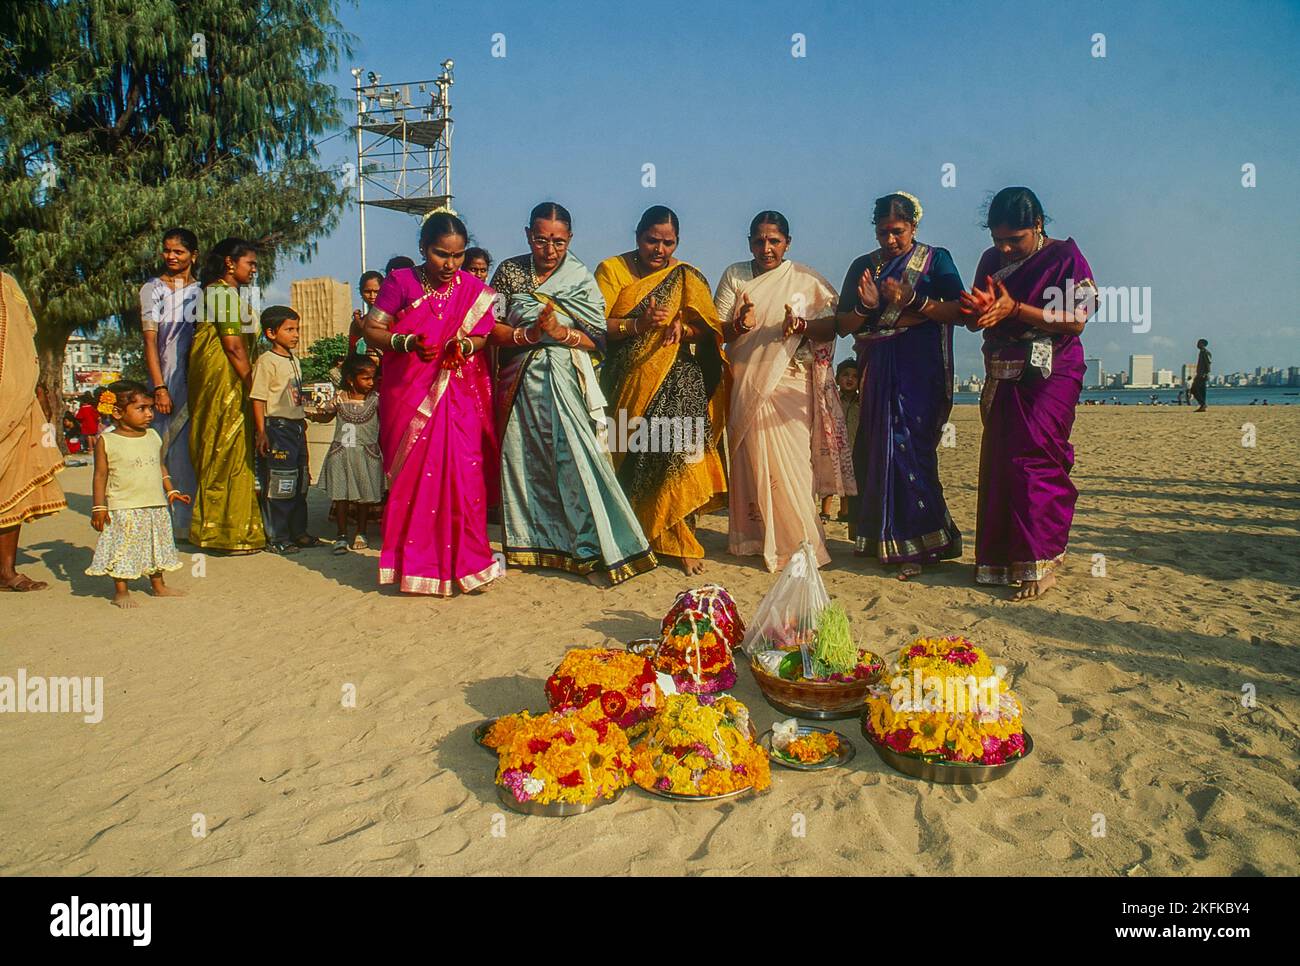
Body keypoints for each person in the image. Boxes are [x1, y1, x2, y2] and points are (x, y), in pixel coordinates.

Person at [490, 202, 656, 585]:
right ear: (527, 235)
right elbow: (490, 327)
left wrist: (560, 334)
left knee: (575, 459)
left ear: (570, 240)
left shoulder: (579, 278)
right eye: (541, 240)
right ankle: (533, 544)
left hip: (564, 379)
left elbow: (597, 337)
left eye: (559, 243)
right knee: (524, 462)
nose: (550, 251)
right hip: (519, 383)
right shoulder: (509, 272)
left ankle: (590, 546)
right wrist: (529, 335)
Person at [962, 186, 1097, 601]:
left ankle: (1043, 560)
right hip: (1003, 368)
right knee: (1002, 462)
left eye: (1014, 240)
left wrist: (1016, 310)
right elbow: (977, 316)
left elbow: (1077, 320)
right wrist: (980, 312)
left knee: (1036, 458)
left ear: (1037, 226)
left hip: (1052, 370)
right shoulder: (991, 261)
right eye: (997, 239)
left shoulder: (1065, 258)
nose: (1005, 248)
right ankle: (1003, 560)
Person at [361, 211, 502, 595]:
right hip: (410, 394)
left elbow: (484, 337)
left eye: (457, 256)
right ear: (423, 249)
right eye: (441, 254)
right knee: (415, 479)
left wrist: (464, 345)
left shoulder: (472, 288)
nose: (450, 265)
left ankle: (469, 566)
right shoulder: (401, 282)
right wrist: (405, 343)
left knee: (465, 473)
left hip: (457, 395)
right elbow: (372, 328)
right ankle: (417, 568)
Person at [834, 192, 966, 580]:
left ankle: (921, 541)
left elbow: (959, 310)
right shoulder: (864, 266)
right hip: (877, 366)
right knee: (878, 448)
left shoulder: (935, 259)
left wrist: (915, 300)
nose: (890, 241)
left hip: (919, 368)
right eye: (882, 233)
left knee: (912, 447)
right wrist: (865, 306)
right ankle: (879, 537)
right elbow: (843, 325)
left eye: (898, 232)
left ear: (914, 226)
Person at [595, 205, 730, 576]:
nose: (659, 250)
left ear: (677, 242)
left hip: (677, 374)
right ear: (637, 237)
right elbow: (597, 324)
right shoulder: (612, 270)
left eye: (668, 242)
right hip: (628, 378)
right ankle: (640, 534)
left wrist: (683, 330)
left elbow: (708, 329)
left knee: (682, 442)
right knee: (638, 449)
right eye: (652, 241)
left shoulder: (686, 275)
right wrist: (638, 325)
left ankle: (682, 537)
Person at [713, 210, 843, 571]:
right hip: (746, 381)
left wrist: (801, 324)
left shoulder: (804, 279)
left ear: (788, 243)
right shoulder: (735, 276)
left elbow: (833, 327)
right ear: (749, 242)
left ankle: (801, 541)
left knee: (795, 465)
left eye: (774, 241)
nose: (766, 248)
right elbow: (716, 329)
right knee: (752, 460)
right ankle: (755, 538)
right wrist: (738, 325)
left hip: (789, 382)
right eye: (759, 241)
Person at [188, 237, 266, 553]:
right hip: (223, 377)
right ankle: (222, 532)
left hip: (226, 375)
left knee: (233, 449)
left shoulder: (226, 294)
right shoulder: (220, 294)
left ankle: (236, 528)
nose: (255, 270)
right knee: (224, 448)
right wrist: (254, 384)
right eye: (251, 263)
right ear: (231, 263)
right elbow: (233, 346)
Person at [86, 381, 190, 606]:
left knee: (155, 545)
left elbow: (158, 465)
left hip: (154, 504)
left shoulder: (153, 436)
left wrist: (171, 491)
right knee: (124, 547)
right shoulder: (107, 441)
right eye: (141, 408)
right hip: (124, 506)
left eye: (150, 408)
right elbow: (100, 476)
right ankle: (121, 591)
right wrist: (99, 507)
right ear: (117, 412)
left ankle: (158, 585)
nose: (149, 414)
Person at [0, 272, 67, 591]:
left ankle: (6, 572)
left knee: (16, 483)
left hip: (18, 403)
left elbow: (27, 335)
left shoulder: (8, 285)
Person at [139, 228, 202, 541]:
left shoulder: (204, 291)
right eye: (167, 251)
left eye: (178, 251)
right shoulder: (153, 289)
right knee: (163, 449)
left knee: (190, 451)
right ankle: (162, 524)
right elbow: (150, 341)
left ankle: (189, 523)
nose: (171, 257)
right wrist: (159, 386)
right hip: (166, 379)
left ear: (194, 255)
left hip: (198, 380)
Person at [250, 306, 319, 554]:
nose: (295, 334)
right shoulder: (266, 362)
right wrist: (262, 432)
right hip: (277, 428)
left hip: (296, 428)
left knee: (301, 481)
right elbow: (258, 399)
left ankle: (298, 532)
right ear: (270, 333)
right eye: (289, 329)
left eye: (297, 329)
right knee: (280, 484)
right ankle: (277, 536)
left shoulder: (294, 361)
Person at [312, 354, 384, 554]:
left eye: (373, 378)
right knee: (341, 497)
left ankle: (361, 532)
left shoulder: (377, 401)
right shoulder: (339, 398)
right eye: (366, 378)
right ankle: (341, 535)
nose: (371, 382)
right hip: (341, 455)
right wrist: (314, 414)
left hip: (367, 455)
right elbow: (325, 416)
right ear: (351, 379)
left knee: (364, 498)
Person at [833, 359, 860, 521]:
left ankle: (847, 512)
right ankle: (829, 511)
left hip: (856, 446)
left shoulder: (863, 401)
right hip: (837, 447)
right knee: (838, 481)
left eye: (855, 376)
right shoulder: (833, 399)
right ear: (837, 379)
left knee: (852, 481)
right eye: (845, 375)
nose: (850, 379)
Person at [349, 270, 384, 358]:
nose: (372, 296)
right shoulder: (357, 323)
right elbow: (352, 353)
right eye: (367, 292)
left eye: (376, 292)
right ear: (361, 292)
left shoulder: (391, 318)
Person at [1191, 339, 1211, 411]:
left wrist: (1206, 373)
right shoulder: (1202, 352)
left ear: (1203, 344)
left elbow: (1208, 363)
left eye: (1199, 343)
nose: (1197, 344)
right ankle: (1203, 406)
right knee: (1202, 391)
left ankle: (1203, 404)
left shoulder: (1205, 352)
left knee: (1194, 390)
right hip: (1200, 374)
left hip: (1202, 375)